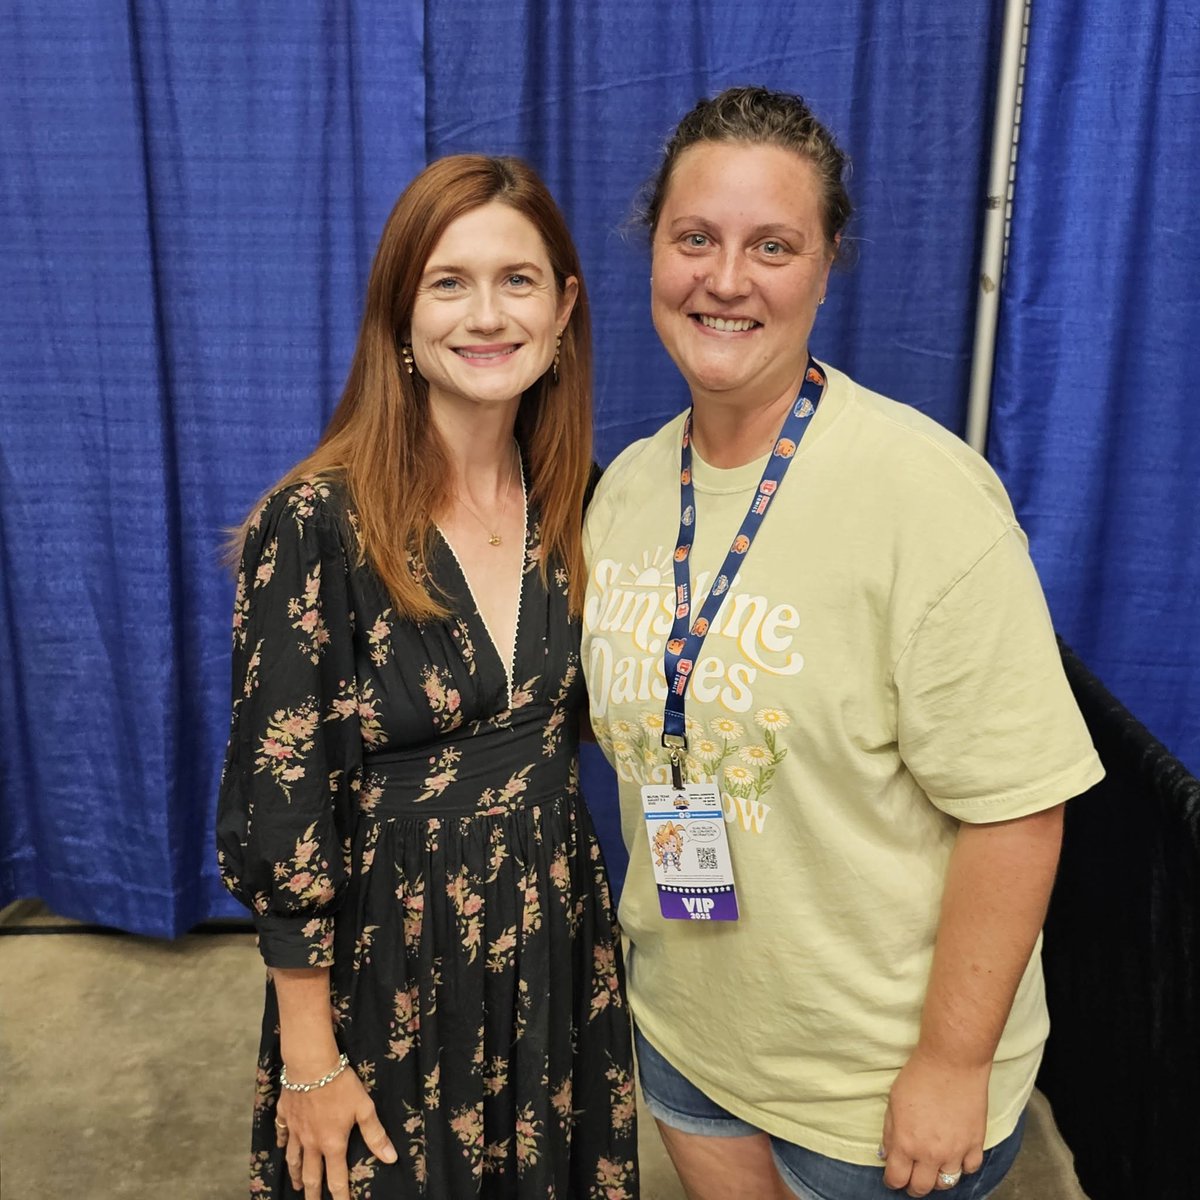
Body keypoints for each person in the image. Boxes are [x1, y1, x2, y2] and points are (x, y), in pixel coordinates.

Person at [581, 87, 1104, 1200]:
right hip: (689, 1033)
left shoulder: (928, 499)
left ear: (825, 268)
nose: (726, 280)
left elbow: (1017, 807)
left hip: (874, 1089)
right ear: (652, 254)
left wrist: (952, 1063)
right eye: (696, 239)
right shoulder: (624, 492)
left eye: (773, 245)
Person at [217, 154, 637, 1200]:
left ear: (564, 306)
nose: (486, 314)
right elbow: (282, 805)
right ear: (400, 314)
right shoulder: (315, 524)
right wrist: (310, 1057)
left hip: (553, 940)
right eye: (449, 282)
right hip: (391, 963)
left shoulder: (582, 501)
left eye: (518, 280)